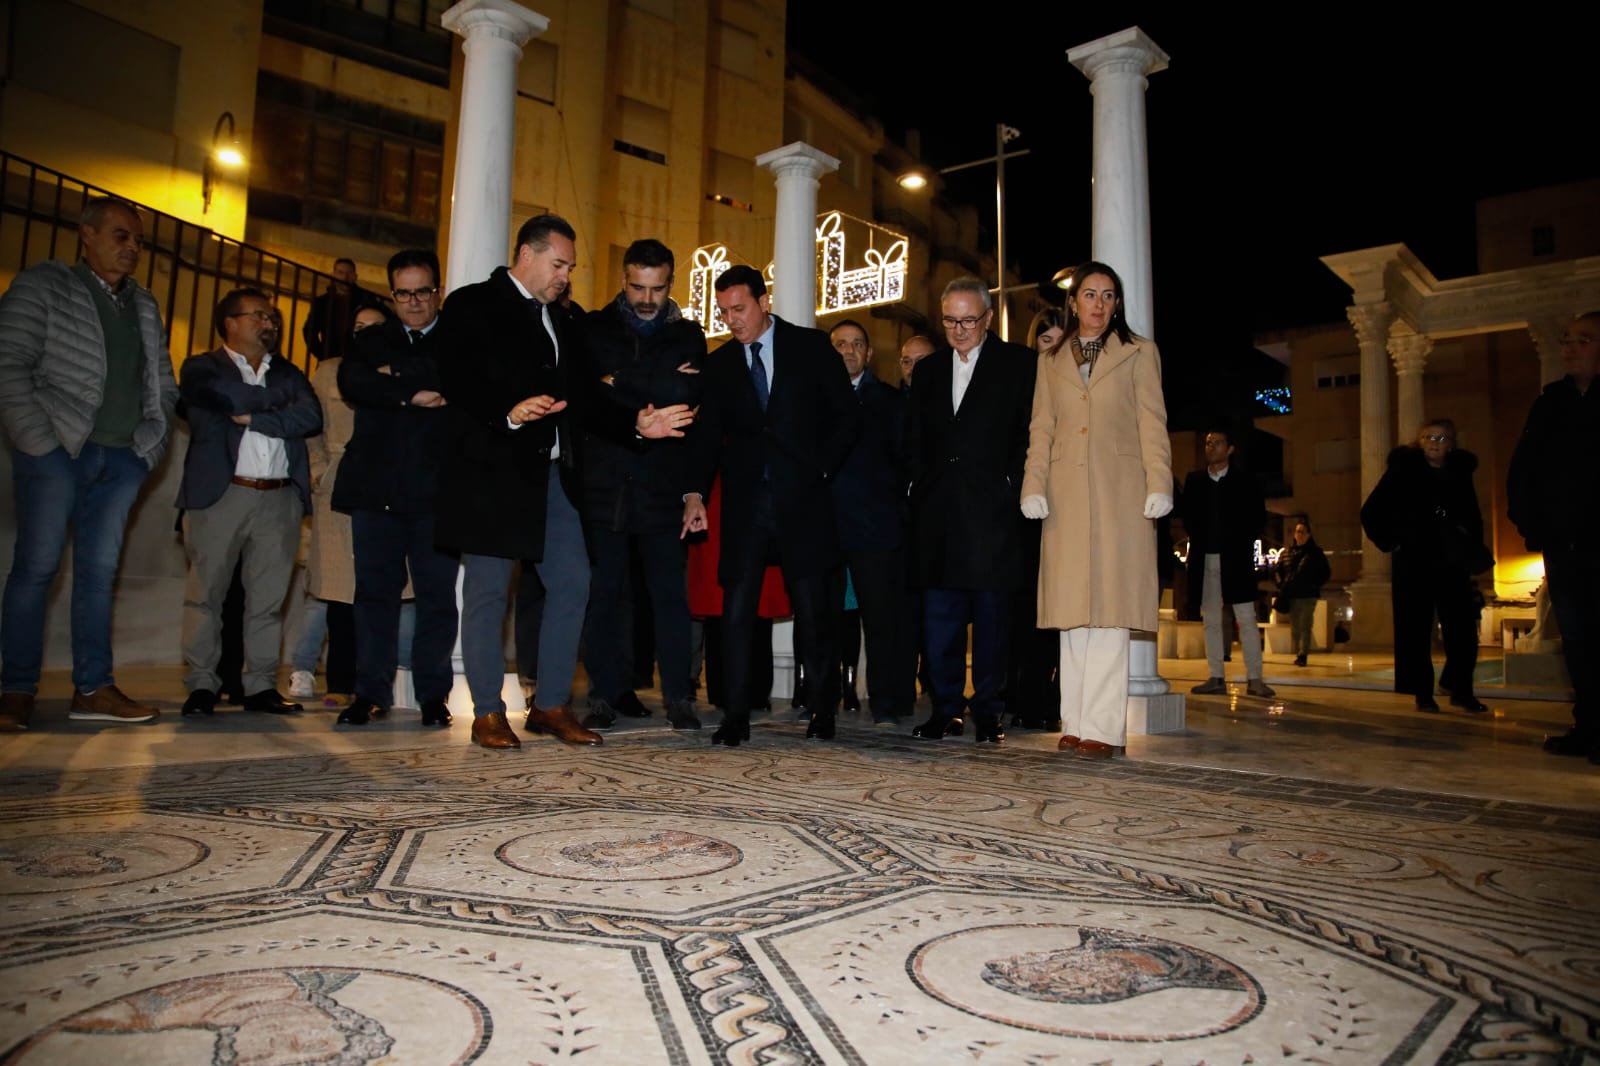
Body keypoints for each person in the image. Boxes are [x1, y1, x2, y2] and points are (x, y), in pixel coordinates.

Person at [435, 215, 694, 750]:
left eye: (570, 267)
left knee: (573, 583)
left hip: (554, 476)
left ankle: (550, 704)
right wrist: (507, 411)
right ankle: (487, 712)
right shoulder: (471, 304)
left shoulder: (564, 318)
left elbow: (586, 396)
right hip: (493, 473)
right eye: (559, 265)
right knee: (487, 593)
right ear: (526, 256)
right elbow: (455, 377)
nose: (565, 276)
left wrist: (635, 424)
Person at [0, 196, 177, 731]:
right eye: (121, 236)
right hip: (58, 451)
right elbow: (8, 363)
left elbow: (163, 385)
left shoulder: (143, 305)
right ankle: (15, 690)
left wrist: (148, 449)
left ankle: (93, 688)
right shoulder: (44, 286)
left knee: (99, 576)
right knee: (36, 568)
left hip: (122, 459)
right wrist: (40, 443)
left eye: (138, 241)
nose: (132, 248)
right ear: (88, 234)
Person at [681, 265, 860, 747]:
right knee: (736, 614)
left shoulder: (810, 347)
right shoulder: (719, 365)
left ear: (765, 301)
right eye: (723, 312)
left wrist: (820, 470)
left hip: (804, 502)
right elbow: (705, 438)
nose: (732, 320)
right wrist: (694, 494)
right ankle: (735, 714)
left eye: (739, 309)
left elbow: (845, 416)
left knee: (813, 610)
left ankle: (823, 710)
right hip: (745, 508)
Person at [1020, 264, 1172, 759]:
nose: (1098, 304)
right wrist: (1033, 484)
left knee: (1108, 610)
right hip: (1065, 494)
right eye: (1089, 294)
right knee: (1072, 613)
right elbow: (1041, 427)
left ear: (1117, 303)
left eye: (1108, 295)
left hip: (1119, 492)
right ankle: (1076, 720)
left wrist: (1159, 482)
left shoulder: (1140, 352)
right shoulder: (1052, 359)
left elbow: (1153, 421)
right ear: (1074, 301)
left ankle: (1104, 729)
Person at [176, 288, 323, 717]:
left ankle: (259, 687)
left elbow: (310, 416)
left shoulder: (289, 372)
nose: (270, 323)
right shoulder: (202, 368)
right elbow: (222, 400)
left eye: (272, 316)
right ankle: (203, 685)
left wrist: (253, 416)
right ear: (231, 322)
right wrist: (275, 405)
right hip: (221, 495)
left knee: (268, 599)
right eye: (259, 315)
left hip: (278, 499)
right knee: (205, 595)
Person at [578, 238, 705, 731]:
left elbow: (686, 393)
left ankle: (679, 697)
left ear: (671, 283)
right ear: (623, 281)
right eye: (638, 287)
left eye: (657, 288)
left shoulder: (689, 334)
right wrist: (650, 382)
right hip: (606, 482)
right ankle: (603, 695)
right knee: (604, 593)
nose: (648, 299)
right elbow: (587, 393)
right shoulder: (594, 328)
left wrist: (619, 383)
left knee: (669, 595)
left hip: (661, 483)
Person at [905, 277, 1037, 744]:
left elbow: (1029, 434)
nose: (958, 330)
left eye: (967, 320)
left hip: (993, 513)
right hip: (938, 512)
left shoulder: (1019, 365)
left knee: (992, 618)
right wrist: (917, 489)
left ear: (986, 319)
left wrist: (1013, 488)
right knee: (940, 617)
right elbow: (916, 439)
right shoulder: (928, 370)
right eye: (949, 321)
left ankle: (988, 710)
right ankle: (945, 708)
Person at [334, 249, 460, 729]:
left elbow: (458, 384)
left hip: (436, 493)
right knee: (373, 596)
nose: (413, 302)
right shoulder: (374, 339)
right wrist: (411, 389)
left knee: (436, 598)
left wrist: (391, 380)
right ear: (391, 295)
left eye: (422, 291)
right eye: (403, 293)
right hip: (376, 490)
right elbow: (353, 382)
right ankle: (370, 693)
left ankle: (433, 696)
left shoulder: (457, 339)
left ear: (437, 292)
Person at [1509, 311, 1600, 758]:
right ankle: (1588, 727)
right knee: (1578, 641)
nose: (1569, 348)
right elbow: (1525, 468)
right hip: (1564, 545)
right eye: (1566, 339)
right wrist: (1533, 524)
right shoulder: (1550, 402)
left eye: (1582, 340)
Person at [1360, 419, 1491, 714]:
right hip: (1414, 561)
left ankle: (1461, 689)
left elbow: (1472, 517)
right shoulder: (1402, 471)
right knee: (1415, 630)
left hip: (1451, 561)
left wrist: (1470, 550)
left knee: (1463, 630)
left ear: (1452, 443)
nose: (1435, 442)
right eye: (1429, 437)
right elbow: (1371, 511)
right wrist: (1392, 542)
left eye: (1442, 437)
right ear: (1419, 441)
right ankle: (1422, 693)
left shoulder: (1459, 473)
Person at [828, 318, 915, 724]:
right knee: (822, 618)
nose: (848, 351)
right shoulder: (814, 401)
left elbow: (904, 465)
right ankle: (820, 701)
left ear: (868, 353)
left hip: (876, 528)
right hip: (826, 527)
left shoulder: (891, 402)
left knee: (881, 621)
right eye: (841, 344)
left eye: (856, 344)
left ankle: (887, 703)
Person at [1007, 307, 1070, 730]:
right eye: (1046, 342)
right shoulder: (1023, 391)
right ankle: (1027, 698)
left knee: (1066, 611)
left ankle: (1062, 701)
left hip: (1068, 510)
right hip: (1028, 513)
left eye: (1061, 343)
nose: (1054, 351)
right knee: (1030, 612)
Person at [1181, 426, 1274, 700]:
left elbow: (1257, 517)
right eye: (1208, 442)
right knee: (1210, 618)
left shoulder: (1246, 481)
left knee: (1245, 618)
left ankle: (1255, 678)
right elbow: (1188, 518)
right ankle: (1215, 676)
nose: (1211, 447)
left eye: (1218, 443)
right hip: (1205, 558)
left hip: (1236, 559)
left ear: (1230, 449)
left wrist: (1237, 539)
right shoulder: (1195, 480)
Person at [1274, 519, 1330, 667]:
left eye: (1301, 532)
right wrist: (1281, 584)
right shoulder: (1287, 553)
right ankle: (1299, 652)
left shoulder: (1315, 553)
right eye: (1297, 531)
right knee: (1295, 627)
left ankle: (1302, 654)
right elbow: (1277, 571)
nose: (1298, 535)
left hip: (1307, 594)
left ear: (1308, 534)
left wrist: (1314, 585)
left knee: (1305, 625)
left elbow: (1325, 573)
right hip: (1292, 595)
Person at [302, 258, 377, 363]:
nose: (345, 277)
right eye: (340, 272)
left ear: (355, 277)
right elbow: (309, 331)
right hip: (330, 359)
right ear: (333, 275)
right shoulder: (322, 302)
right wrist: (322, 355)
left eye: (349, 273)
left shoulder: (367, 300)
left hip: (358, 361)